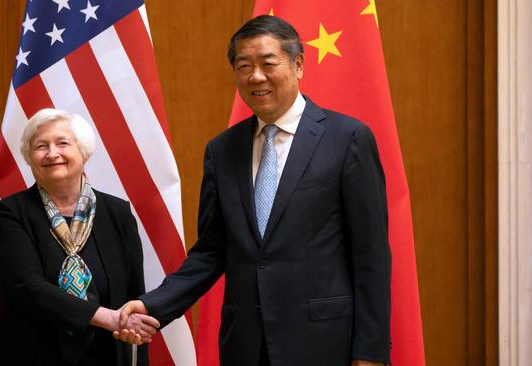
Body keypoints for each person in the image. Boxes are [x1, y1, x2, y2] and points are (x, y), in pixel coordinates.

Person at [117, 15, 391, 366]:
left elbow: (371, 257)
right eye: (244, 66)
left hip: (325, 344)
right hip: (246, 344)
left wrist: (369, 353)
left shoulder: (347, 139)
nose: (256, 76)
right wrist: (152, 304)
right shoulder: (222, 150)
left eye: (267, 63)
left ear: (298, 65)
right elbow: (211, 252)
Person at [0, 108, 159, 366]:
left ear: (83, 151)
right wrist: (106, 317)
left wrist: (132, 331)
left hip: (103, 355)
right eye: (41, 146)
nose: (52, 153)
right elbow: (27, 288)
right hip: (27, 354)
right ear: (30, 157)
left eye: (62, 143)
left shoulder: (117, 213)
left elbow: (133, 295)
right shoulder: (12, 212)